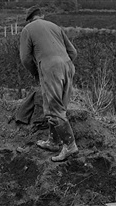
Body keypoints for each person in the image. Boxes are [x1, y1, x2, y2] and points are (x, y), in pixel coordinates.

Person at [19, 5, 79, 162]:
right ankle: (54, 141)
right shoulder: (55, 26)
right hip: (68, 66)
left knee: (54, 110)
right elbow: (73, 52)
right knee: (60, 107)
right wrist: (63, 65)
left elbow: (25, 58)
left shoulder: (28, 29)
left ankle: (70, 146)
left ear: (29, 19)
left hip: (51, 68)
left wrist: (36, 72)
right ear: (42, 15)